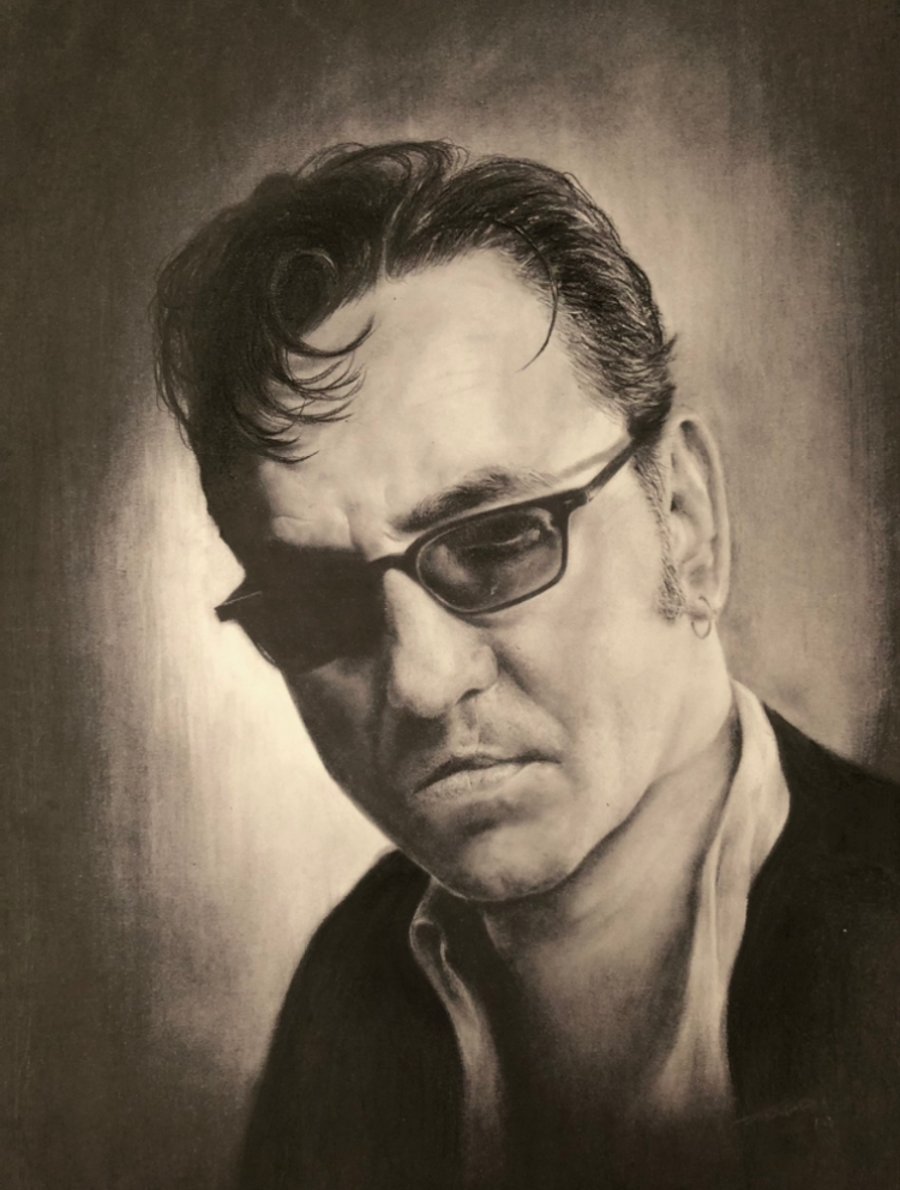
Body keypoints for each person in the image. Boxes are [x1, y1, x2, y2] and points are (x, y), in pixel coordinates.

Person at [153, 142, 900, 1190]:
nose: (421, 682)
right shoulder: (346, 995)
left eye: (498, 541)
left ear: (685, 520)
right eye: (320, 599)